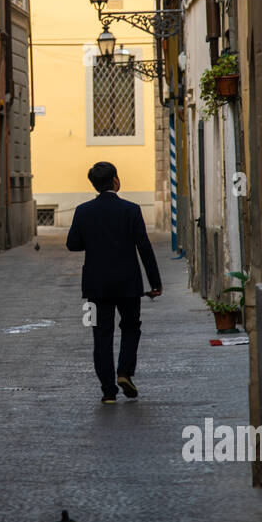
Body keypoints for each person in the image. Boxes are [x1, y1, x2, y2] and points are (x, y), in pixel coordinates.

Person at [66, 162, 162, 403]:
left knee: (100, 335)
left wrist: (95, 240)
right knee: (131, 327)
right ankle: (124, 372)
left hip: (95, 287)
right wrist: (155, 282)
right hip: (129, 284)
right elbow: (144, 248)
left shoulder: (82, 211)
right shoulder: (131, 210)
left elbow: (72, 244)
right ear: (116, 181)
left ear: (94, 185)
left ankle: (108, 392)